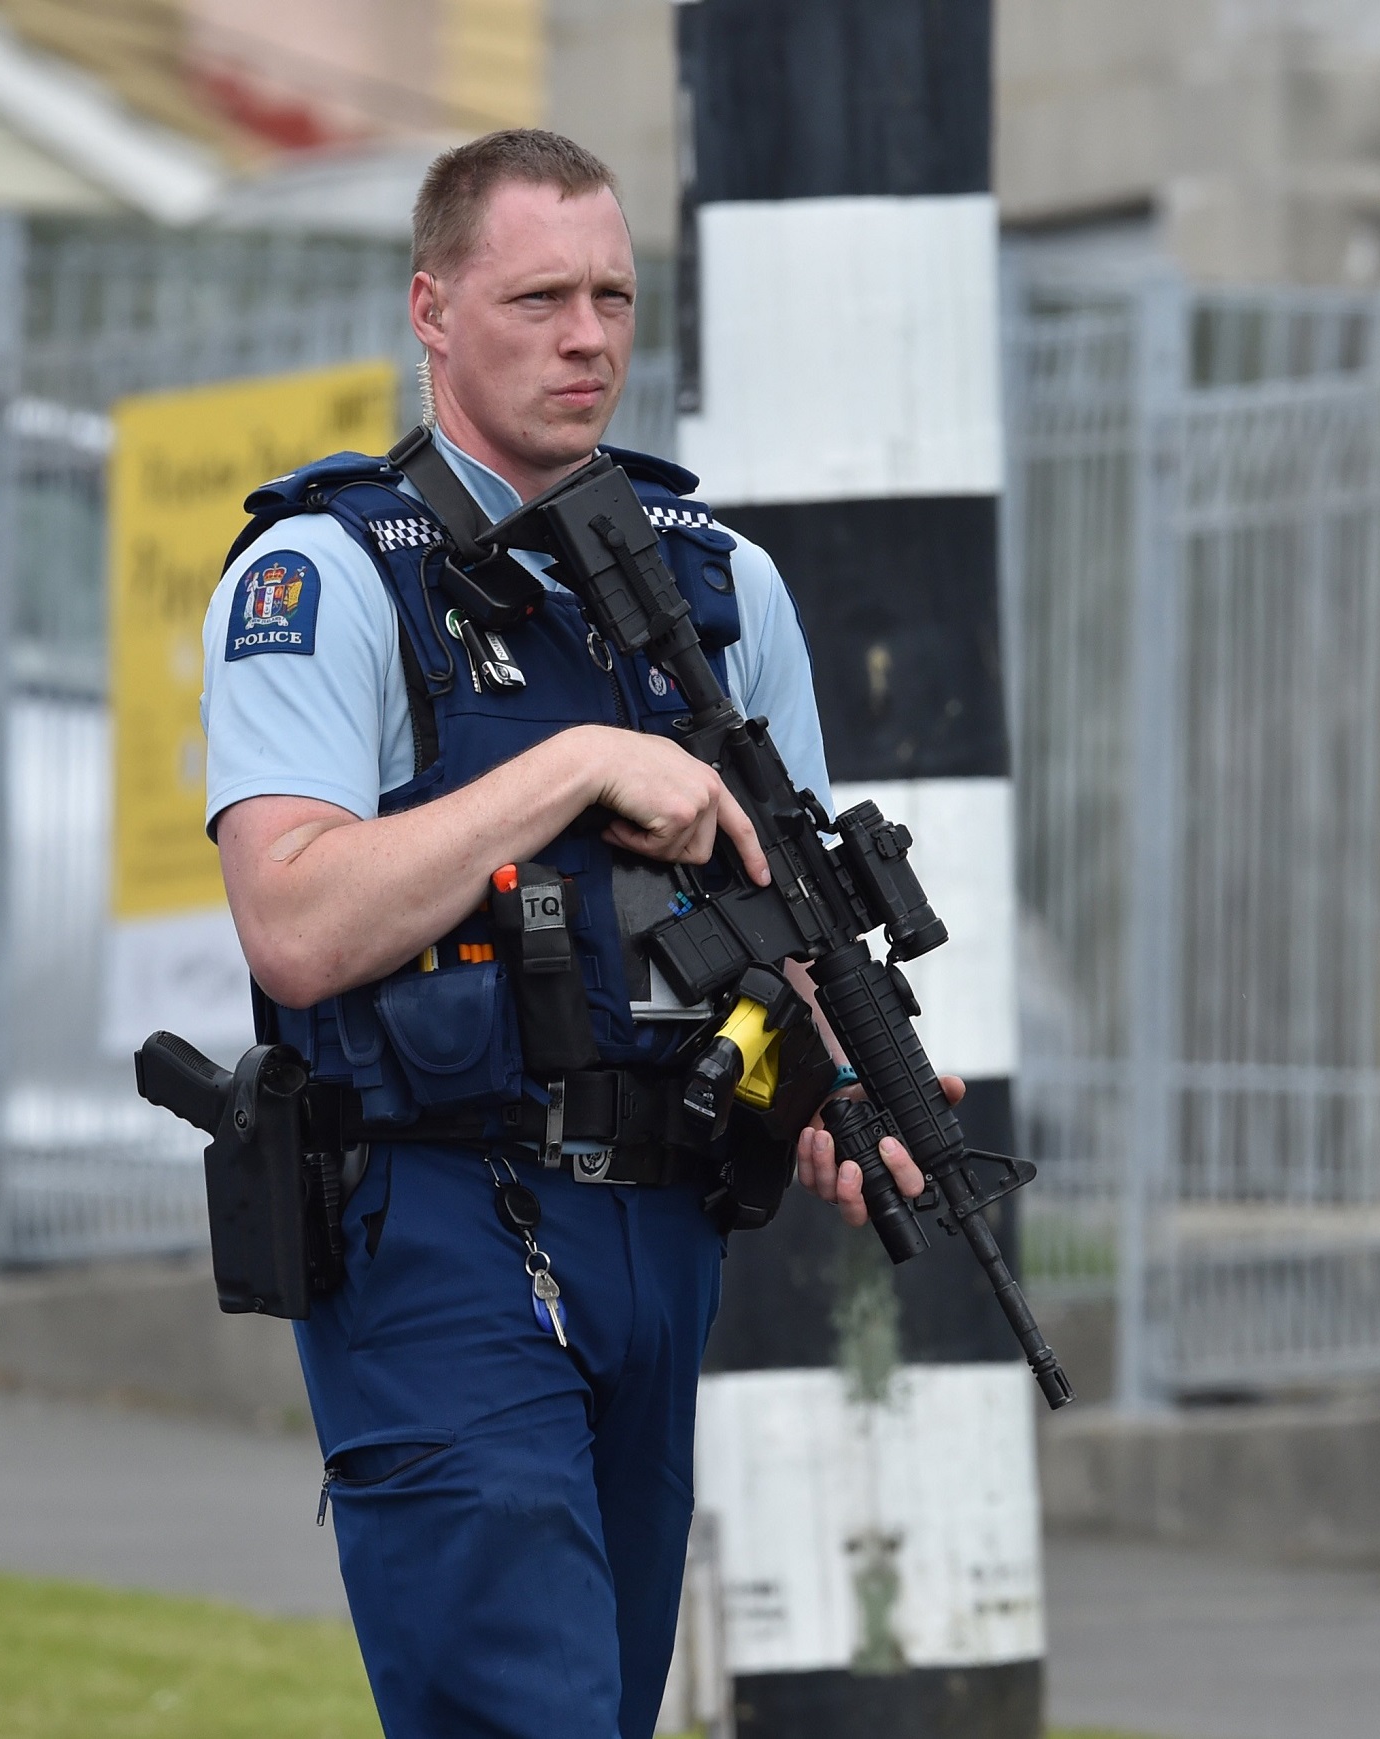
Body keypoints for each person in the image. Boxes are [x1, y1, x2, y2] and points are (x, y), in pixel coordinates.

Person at [201, 129, 958, 1739]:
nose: (587, 336)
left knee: (600, 1709)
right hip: (432, 1223)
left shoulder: (725, 585)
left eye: (611, 294)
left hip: (661, 1222)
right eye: (538, 295)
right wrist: (569, 767)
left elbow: (792, 909)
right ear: (431, 307)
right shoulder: (323, 572)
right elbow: (294, 923)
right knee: (521, 1715)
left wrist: (846, 1093)